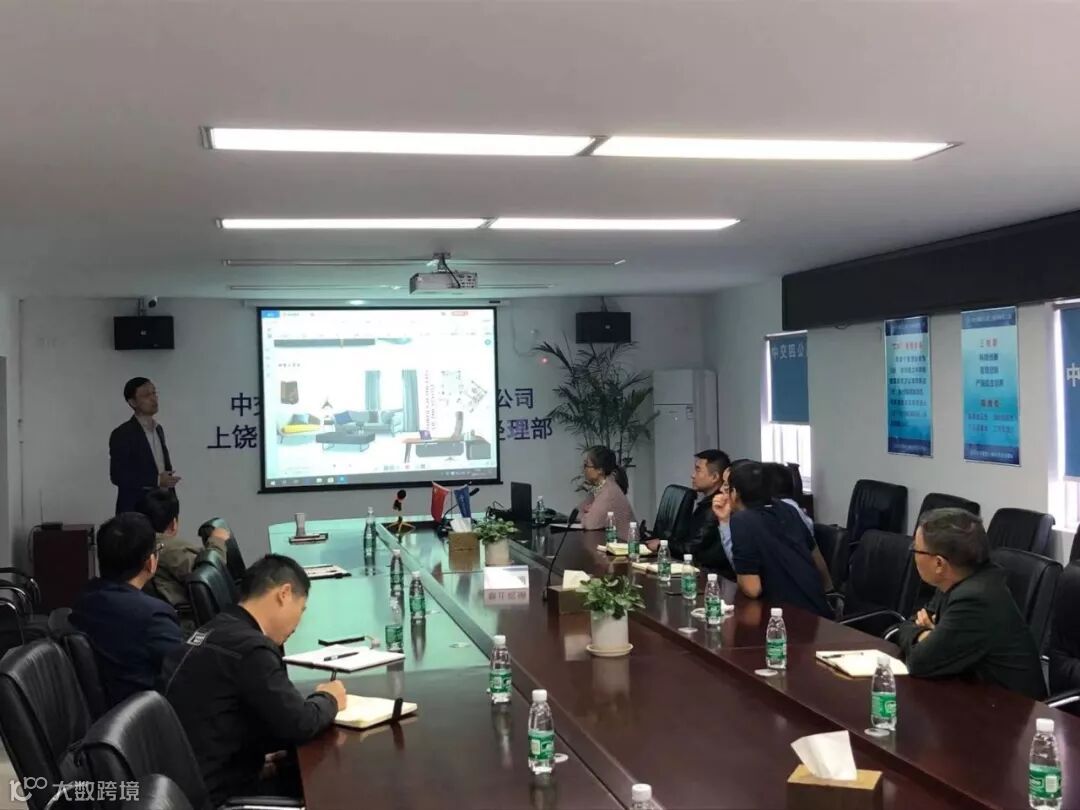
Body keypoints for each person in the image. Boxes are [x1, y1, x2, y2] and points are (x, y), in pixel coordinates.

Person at [162, 554, 346, 805]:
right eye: (301, 609)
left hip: (192, 781)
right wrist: (329, 698)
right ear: (284, 594)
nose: (298, 624)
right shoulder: (251, 650)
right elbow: (300, 723)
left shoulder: (214, 628)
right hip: (217, 797)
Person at [895, 508, 1046, 699]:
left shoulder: (975, 599)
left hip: (1012, 708)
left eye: (915, 549)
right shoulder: (956, 578)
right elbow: (908, 624)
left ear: (939, 564)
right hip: (972, 694)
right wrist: (927, 635)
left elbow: (919, 662)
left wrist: (930, 636)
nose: (913, 555)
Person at [70, 513, 183, 707]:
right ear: (150, 562)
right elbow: (187, 672)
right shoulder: (154, 616)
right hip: (148, 712)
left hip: (109, 712)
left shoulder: (83, 601)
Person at [713, 461, 831, 618]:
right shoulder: (787, 509)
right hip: (818, 610)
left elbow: (752, 589)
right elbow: (818, 560)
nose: (722, 491)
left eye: (727, 487)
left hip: (787, 616)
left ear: (735, 493)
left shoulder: (742, 520)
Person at [134, 487, 228, 616]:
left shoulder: (134, 543)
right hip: (185, 621)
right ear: (173, 523)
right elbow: (211, 576)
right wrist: (217, 541)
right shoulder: (169, 549)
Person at [646, 449, 733, 576]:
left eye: (698, 470)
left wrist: (661, 545)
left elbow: (692, 549)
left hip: (711, 575)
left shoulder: (716, 508)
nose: (693, 475)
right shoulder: (707, 504)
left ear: (714, 477)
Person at [109, 377, 180, 514]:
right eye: (147, 395)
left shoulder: (159, 429)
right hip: (135, 510)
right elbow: (118, 475)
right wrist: (157, 480)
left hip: (162, 509)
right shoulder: (122, 433)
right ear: (132, 402)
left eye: (154, 393)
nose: (153, 398)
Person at [577, 446, 636, 538]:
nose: (583, 469)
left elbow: (590, 524)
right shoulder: (598, 488)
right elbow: (577, 513)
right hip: (609, 542)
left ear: (600, 470)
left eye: (586, 465)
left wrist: (589, 513)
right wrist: (588, 513)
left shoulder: (609, 492)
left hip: (626, 544)